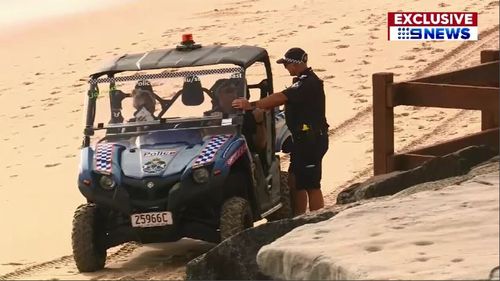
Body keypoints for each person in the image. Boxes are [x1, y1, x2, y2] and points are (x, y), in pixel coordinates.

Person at [232, 47, 329, 215]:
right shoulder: (301, 81)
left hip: (311, 140)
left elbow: (281, 97)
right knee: (295, 181)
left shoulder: (308, 83)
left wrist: (252, 105)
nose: (285, 68)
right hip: (301, 139)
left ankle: (317, 219)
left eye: (286, 64)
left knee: (312, 184)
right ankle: (298, 218)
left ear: (294, 64)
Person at [208, 79, 267, 152]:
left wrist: (259, 122)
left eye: (235, 91)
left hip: (244, 156)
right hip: (217, 155)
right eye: (229, 91)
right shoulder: (209, 117)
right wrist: (212, 126)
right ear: (218, 98)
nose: (234, 95)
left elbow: (260, 145)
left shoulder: (249, 115)